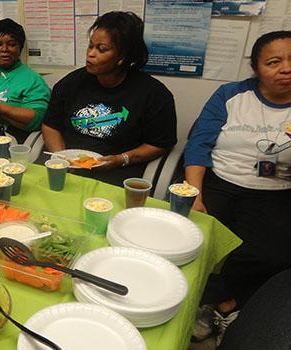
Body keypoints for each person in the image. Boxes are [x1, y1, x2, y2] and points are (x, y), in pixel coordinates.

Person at [184, 30, 291, 344]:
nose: (285, 68)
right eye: (274, 62)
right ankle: (209, 301)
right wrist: (195, 194)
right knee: (195, 240)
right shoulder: (230, 95)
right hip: (219, 181)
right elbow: (198, 144)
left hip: (277, 189)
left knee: (271, 254)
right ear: (256, 68)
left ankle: (224, 303)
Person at [41, 11, 177, 186]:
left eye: (101, 49)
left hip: (116, 171)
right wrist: (61, 158)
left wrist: (122, 159)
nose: (90, 54)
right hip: (66, 165)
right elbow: (50, 125)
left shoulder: (154, 94)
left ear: (122, 57)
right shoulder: (71, 83)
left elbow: (159, 144)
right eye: (90, 46)